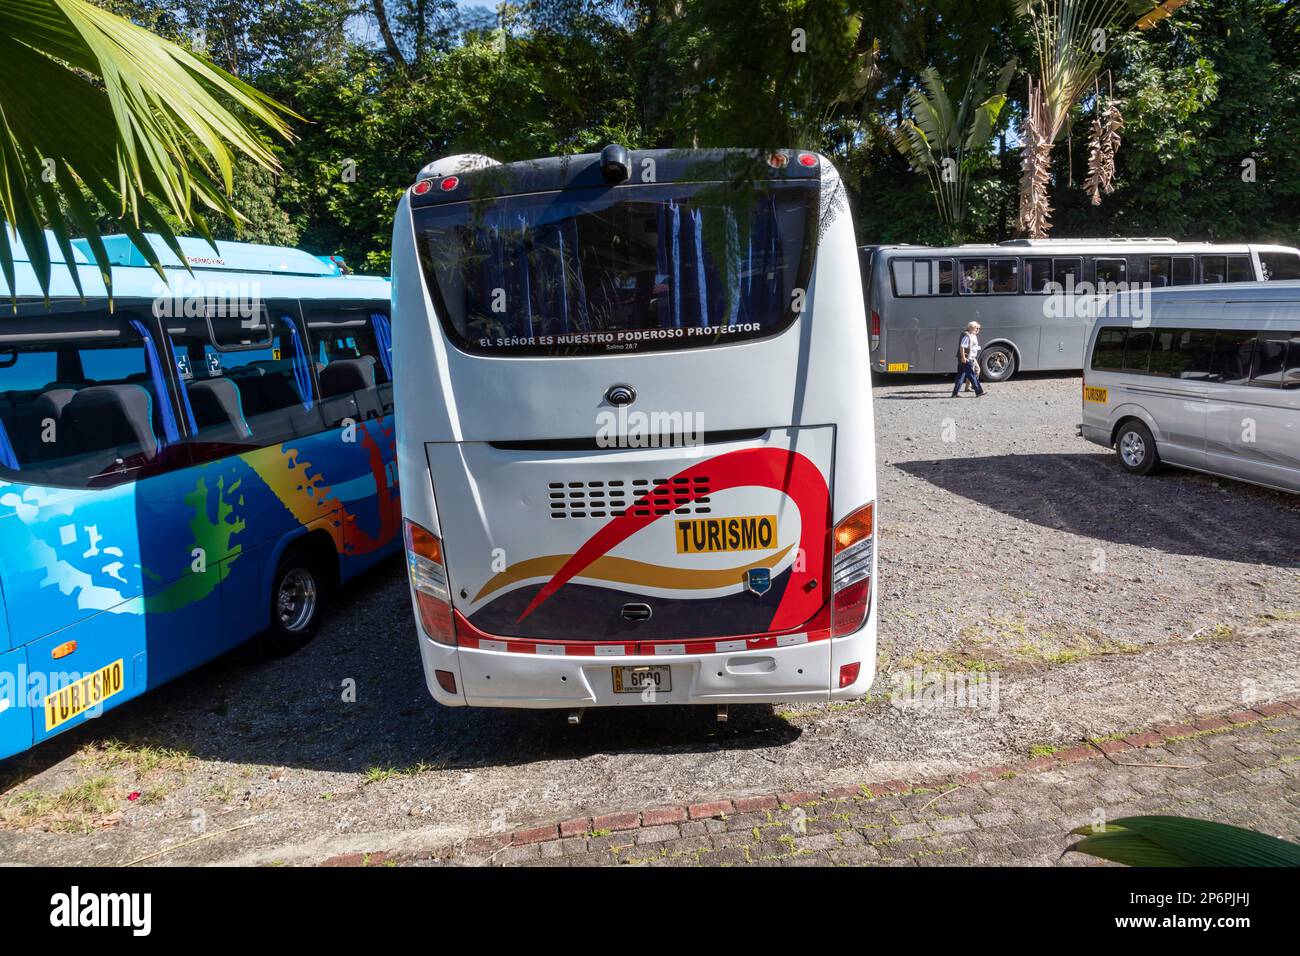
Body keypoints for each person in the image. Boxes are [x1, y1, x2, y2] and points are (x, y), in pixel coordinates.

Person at [952, 321, 985, 398]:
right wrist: (963, 357)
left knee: (960, 376)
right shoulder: (967, 336)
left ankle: (955, 393)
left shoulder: (973, 335)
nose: (978, 329)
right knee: (971, 375)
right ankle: (979, 392)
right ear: (972, 328)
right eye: (977, 328)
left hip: (968, 358)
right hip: (966, 359)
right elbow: (962, 347)